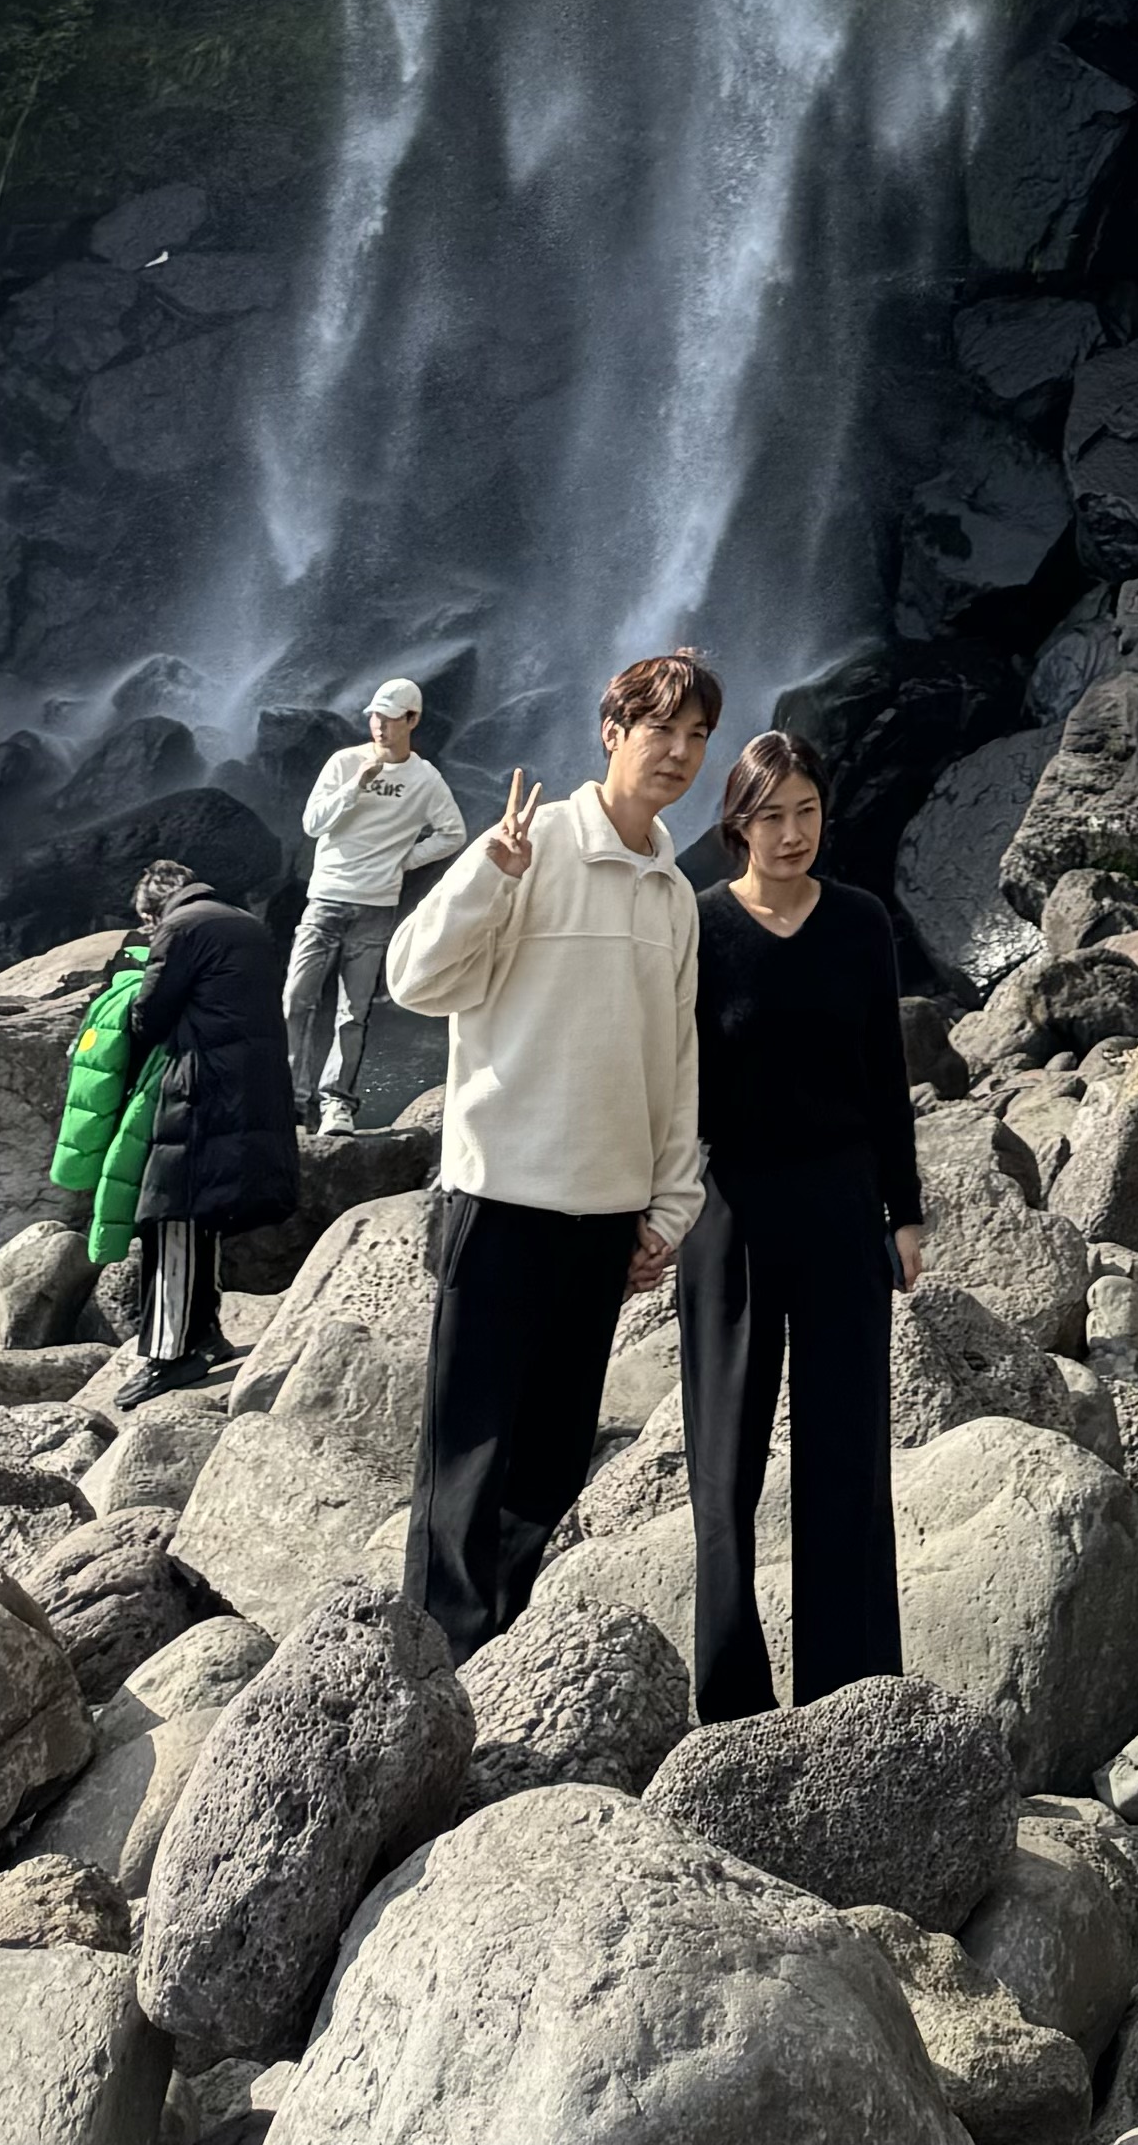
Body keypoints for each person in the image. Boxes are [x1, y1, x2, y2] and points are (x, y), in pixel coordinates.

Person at [386, 642, 719, 1663]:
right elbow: (415, 978)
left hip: (606, 1212)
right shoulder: (528, 846)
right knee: (467, 1459)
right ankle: (431, 1670)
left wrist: (668, 1208)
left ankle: (497, 1651)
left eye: (697, 735)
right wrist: (489, 875)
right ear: (610, 733)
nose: (677, 752)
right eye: (658, 729)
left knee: (552, 1461)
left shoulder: (672, 893)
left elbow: (676, 1062)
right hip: (501, 1195)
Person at [680, 726, 924, 1718]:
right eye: (771, 816)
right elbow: (667, 1083)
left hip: (838, 1206)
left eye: (808, 813)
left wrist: (904, 1212)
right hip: (726, 1214)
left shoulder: (861, 922)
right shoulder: (697, 927)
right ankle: (730, 1703)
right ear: (738, 825)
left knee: (849, 1453)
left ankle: (854, 1689)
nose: (793, 834)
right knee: (723, 1464)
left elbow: (886, 1077)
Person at [111, 855, 304, 1399]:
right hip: (253, 1089)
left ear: (153, 909)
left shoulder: (180, 928)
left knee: (170, 1216)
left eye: (146, 923)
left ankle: (170, 1354)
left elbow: (150, 1014)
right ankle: (209, 1334)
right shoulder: (243, 921)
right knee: (206, 1212)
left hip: (201, 1090)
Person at [283, 675, 466, 1132]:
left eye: (389, 718)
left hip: (375, 907)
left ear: (413, 720)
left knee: (354, 1011)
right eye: (374, 717)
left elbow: (453, 834)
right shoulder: (345, 762)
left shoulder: (424, 779)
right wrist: (355, 788)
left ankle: (335, 1104)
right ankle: (288, 1098)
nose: (379, 726)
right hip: (325, 898)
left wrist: (405, 861)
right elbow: (312, 823)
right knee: (295, 999)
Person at [48, 865, 176, 1312]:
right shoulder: (189, 951)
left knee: (116, 1185)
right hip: (158, 1094)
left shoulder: (130, 954)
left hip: (118, 1089)